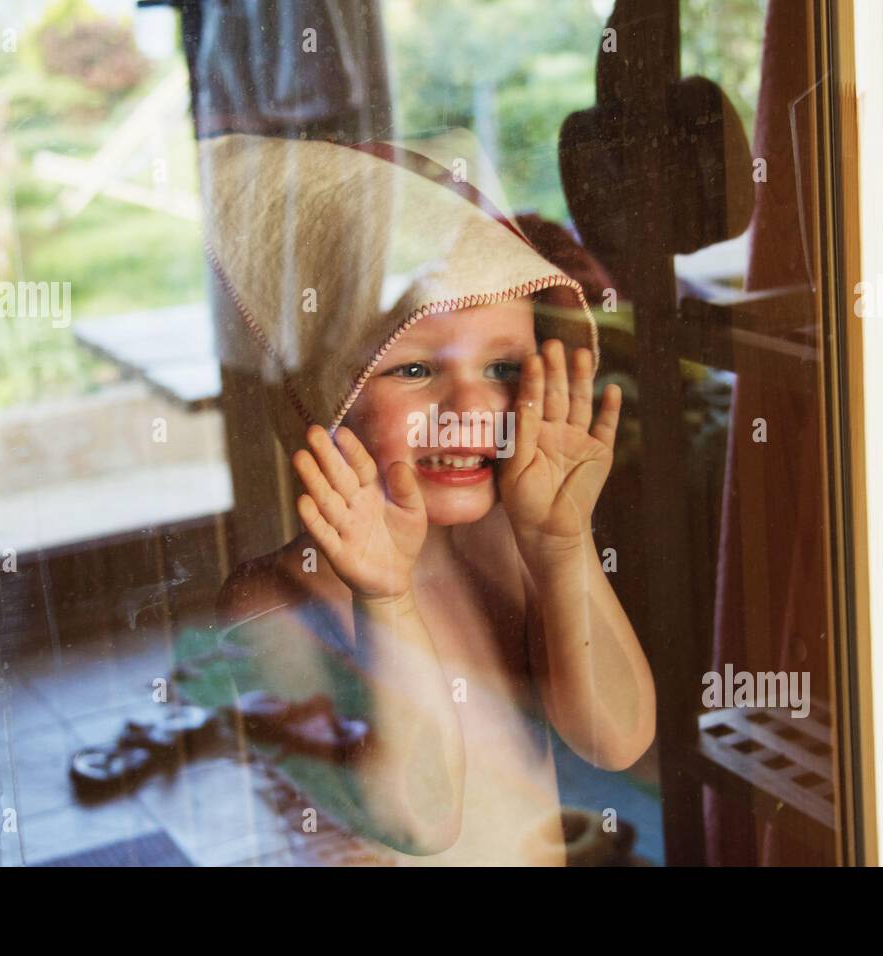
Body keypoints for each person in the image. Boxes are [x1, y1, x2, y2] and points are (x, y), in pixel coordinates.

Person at [207, 127, 656, 865]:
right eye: (415, 372)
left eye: (504, 367)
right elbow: (422, 821)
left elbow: (616, 740)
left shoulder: (502, 545)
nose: (472, 408)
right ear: (325, 397)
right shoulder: (277, 598)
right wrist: (386, 601)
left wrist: (563, 546)